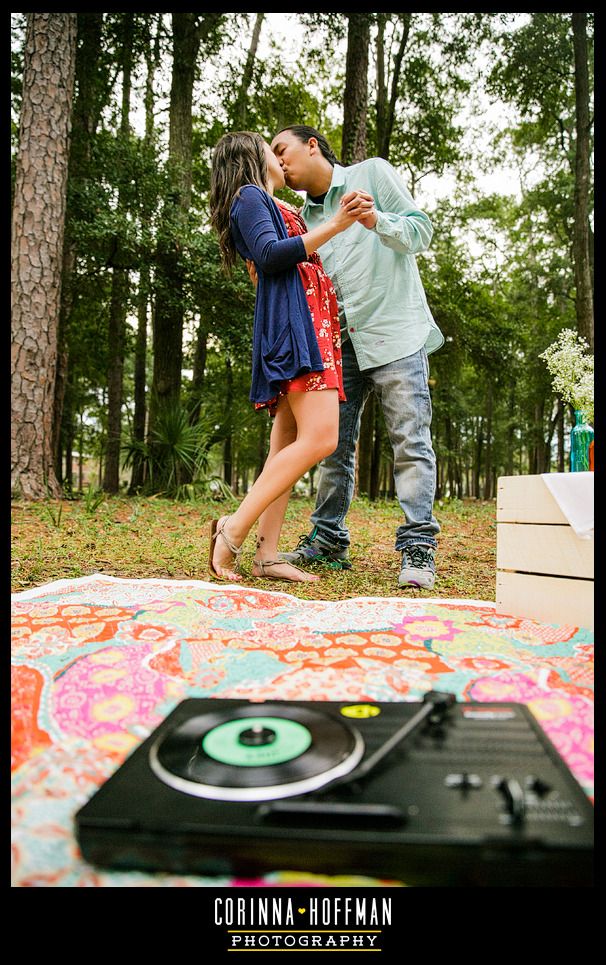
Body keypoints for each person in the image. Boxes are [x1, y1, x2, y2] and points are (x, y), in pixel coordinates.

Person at [269, 125, 444, 589]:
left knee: (410, 440)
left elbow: (421, 231)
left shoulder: (372, 174)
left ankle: (418, 547)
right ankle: (327, 541)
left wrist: (377, 222)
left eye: (282, 150)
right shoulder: (301, 221)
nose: (278, 161)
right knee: (331, 446)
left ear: (312, 145)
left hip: (395, 333)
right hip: (339, 345)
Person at [208, 131, 373, 583]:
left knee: (285, 443)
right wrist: (336, 225)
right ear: (251, 156)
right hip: (297, 328)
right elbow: (269, 255)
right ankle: (232, 531)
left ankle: (267, 555)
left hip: (309, 323)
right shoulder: (248, 196)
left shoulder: (273, 204)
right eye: (271, 147)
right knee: (321, 438)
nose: (278, 155)